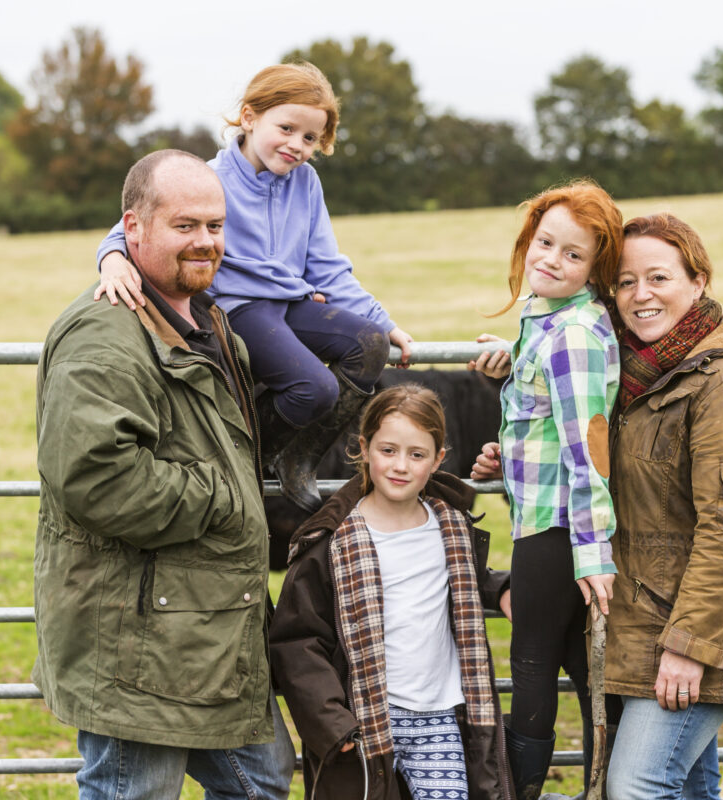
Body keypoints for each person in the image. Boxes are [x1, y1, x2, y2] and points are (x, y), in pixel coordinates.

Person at [33, 149, 294, 800]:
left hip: (211, 630)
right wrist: (224, 496)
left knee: (261, 782)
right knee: (136, 792)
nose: (206, 241)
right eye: (186, 226)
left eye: (215, 225)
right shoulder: (105, 334)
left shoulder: (209, 324)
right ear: (134, 228)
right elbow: (99, 480)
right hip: (138, 640)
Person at [94, 62, 413, 513]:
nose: (297, 146)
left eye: (310, 139)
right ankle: (245, 459)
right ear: (249, 117)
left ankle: (301, 455)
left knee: (369, 344)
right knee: (315, 387)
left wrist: (383, 321)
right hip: (239, 308)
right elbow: (123, 231)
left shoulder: (306, 183)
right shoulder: (210, 177)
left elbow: (327, 266)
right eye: (286, 128)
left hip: (291, 301)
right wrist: (111, 261)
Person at [604, 213, 723, 800]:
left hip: (698, 635)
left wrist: (690, 649)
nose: (640, 295)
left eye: (659, 277)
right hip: (645, 621)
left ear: (698, 280)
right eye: (625, 282)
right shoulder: (637, 377)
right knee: (689, 790)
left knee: (637, 787)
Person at [269, 383, 514, 799]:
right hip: (363, 720)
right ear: (363, 449)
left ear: (437, 460)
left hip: (439, 714)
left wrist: (502, 588)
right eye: (388, 450)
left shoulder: (450, 528)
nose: (400, 466)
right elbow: (298, 640)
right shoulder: (331, 543)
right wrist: (333, 724)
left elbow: (462, 580)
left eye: (416, 455)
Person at [468, 180, 622, 800]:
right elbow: (552, 426)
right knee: (579, 668)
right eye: (544, 241)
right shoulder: (547, 324)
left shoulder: (573, 336)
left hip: (559, 534)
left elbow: (589, 454)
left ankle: (519, 792)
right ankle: (609, 785)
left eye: (573, 254)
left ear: (594, 268)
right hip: (546, 522)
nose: (550, 259)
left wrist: (590, 552)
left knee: (532, 668)